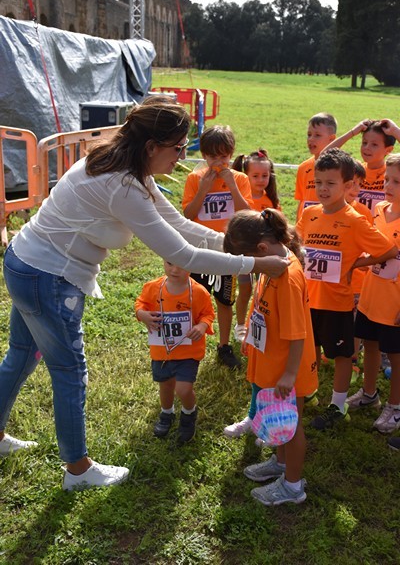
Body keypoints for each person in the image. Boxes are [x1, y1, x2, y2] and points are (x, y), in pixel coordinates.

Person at [0, 100, 289, 490]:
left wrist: (231, 245)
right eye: (178, 148)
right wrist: (255, 265)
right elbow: (181, 254)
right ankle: (78, 470)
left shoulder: (128, 168)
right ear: (152, 146)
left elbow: (179, 224)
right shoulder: (122, 185)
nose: (182, 157)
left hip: (27, 263)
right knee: (69, 371)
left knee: (21, 355)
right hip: (46, 277)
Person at [296, 148, 397, 431]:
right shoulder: (311, 213)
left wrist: (356, 263)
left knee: (341, 356)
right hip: (309, 297)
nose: (323, 189)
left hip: (337, 301)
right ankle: (310, 389)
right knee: (310, 347)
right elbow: (299, 248)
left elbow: (388, 250)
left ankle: (338, 406)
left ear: (348, 185)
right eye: (319, 182)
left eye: (331, 183)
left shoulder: (354, 220)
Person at [223, 208, 318, 506]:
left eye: (248, 262)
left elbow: (297, 333)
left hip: (287, 368)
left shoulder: (287, 277)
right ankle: (280, 463)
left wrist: (289, 375)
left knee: (292, 425)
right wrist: (252, 338)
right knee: (280, 421)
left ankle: (293, 486)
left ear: (261, 249)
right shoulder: (273, 265)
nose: (249, 270)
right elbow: (262, 309)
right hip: (271, 358)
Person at [182, 125, 254, 369]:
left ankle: (224, 345)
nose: (218, 163)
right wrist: (203, 188)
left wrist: (232, 185)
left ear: (231, 155)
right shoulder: (194, 178)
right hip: (200, 249)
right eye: (213, 157)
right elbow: (188, 215)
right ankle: (191, 342)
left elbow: (248, 213)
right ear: (204, 156)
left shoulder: (241, 178)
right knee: (195, 296)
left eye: (223, 157)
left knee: (225, 300)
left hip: (227, 250)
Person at [347, 149, 400, 442]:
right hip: (371, 294)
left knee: (396, 354)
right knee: (370, 344)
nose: (388, 186)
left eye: (396, 182)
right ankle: (369, 394)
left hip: (395, 303)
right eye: (388, 180)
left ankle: (395, 407)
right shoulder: (379, 209)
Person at [135, 260, 215, 443]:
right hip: (162, 351)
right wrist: (142, 315)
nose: (174, 269)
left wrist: (202, 326)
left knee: (183, 389)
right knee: (166, 385)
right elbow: (140, 304)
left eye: (181, 264)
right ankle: (167, 413)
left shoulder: (198, 292)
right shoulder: (153, 288)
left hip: (188, 351)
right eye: (170, 263)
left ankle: (188, 413)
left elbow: (208, 313)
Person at [230, 149, 280, 344]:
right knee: (245, 288)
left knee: (266, 290)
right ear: (246, 176)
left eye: (265, 175)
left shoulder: (271, 199)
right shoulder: (242, 197)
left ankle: (262, 322)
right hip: (245, 252)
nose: (261, 180)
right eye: (256, 176)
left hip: (265, 253)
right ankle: (241, 325)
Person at [324, 118, 396, 216]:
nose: (367, 147)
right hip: (354, 227)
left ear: (389, 150)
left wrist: (396, 131)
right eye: (364, 142)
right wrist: (353, 132)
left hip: (382, 229)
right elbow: (324, 156)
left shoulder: (393, 173)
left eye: (374, 144)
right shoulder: (354, 170)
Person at [344, 160, 374, 379]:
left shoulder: (363, 212)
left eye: (359, 184)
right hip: (330, 283)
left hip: (356, 281)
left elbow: (371, 247)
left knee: (354, 319)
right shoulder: (320, 211)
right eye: (351, 183)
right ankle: (332, 352)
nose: (355, 190)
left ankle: (353, 357)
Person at [294, 112, 337, 221]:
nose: (311, 139)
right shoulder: (303, 167)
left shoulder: (340, 167)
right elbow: (301, 201)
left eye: (317, 135)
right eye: (309, 134)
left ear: (332, 139)